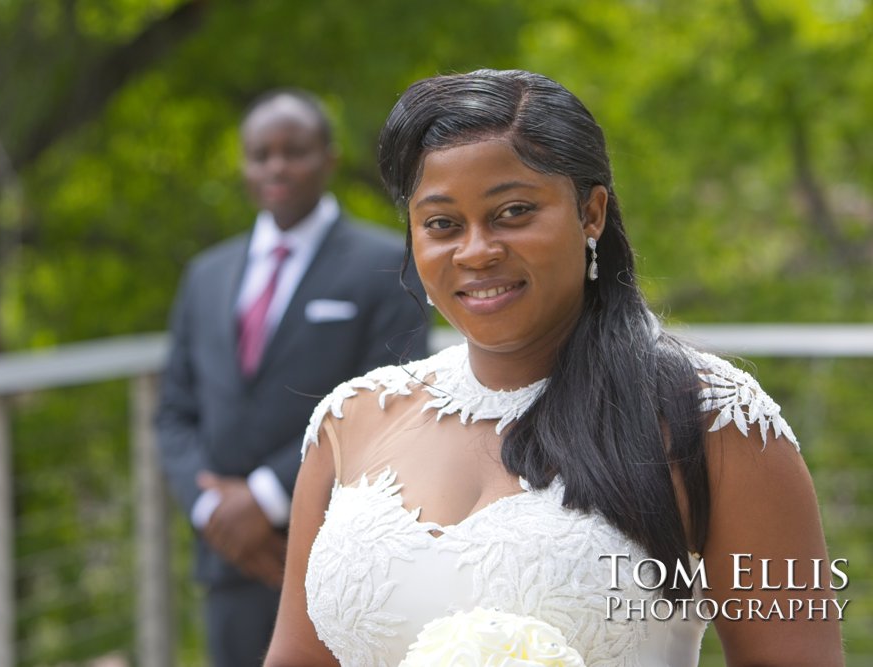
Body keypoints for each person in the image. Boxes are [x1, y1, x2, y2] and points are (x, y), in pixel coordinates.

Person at [264, 70, 844, 666]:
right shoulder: (352, 421)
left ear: (590, 213)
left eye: (513, 212)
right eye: (442, 224)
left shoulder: (715, 423)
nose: (476, 250)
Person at [155, 88, 428, 667]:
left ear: (328, 158)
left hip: (338, 553)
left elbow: (389, 404)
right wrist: (215, 514)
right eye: (260, 154)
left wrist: (266, 497)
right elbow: (174, 410)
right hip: (229, 557)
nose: (276, 166)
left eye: (294, 150)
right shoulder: (205, 275)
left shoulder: (386, 265)